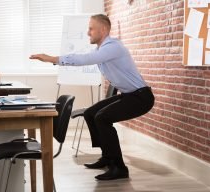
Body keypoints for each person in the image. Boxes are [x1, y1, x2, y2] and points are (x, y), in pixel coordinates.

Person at [30, 14, 155, 181]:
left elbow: (85, 59)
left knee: (103, 118)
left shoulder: (113, 47)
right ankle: (107, 157)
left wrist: (52, 59)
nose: (88, 32)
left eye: (91, 28)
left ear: (103, 30)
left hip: (141, 97)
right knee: (90, 113)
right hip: (129, 95)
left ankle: (119, 167)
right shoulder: (102, 49)